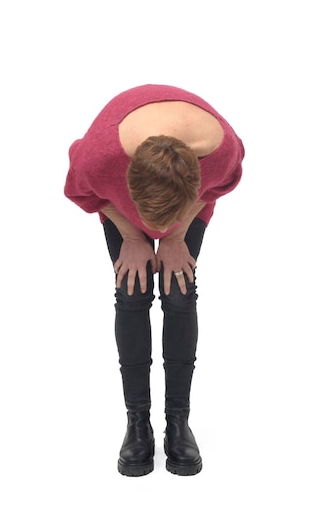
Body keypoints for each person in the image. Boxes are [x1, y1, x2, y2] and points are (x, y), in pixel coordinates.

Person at [64, 84, 245, 476]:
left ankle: (178, 420)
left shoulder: (221, 151)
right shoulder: (100, 158)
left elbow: (225, 181)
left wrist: (176, 236)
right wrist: (132, 235)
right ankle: (137, 421)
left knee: (180, 293)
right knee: (133, 289)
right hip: (121, 196)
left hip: (186, 196)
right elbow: (81, 191)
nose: (156, 231)